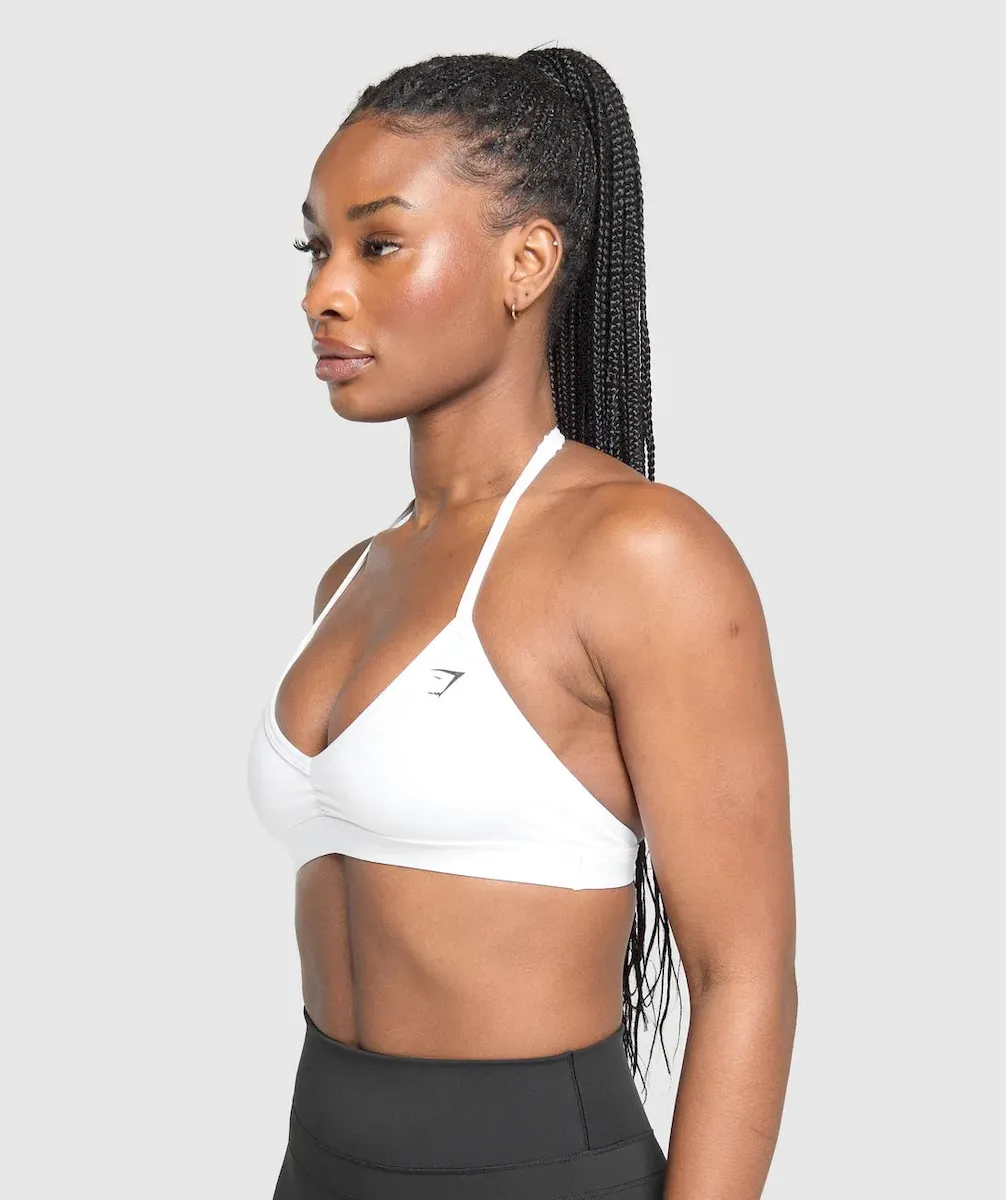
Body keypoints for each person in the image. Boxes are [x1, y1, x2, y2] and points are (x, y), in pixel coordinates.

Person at [247, 46, 796, 1200]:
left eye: (377, 246)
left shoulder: (639, 552)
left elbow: (741, 976)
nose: (321, 293)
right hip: (316, 1162)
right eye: (315, 249)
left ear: (527, 262)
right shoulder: (351, 577)